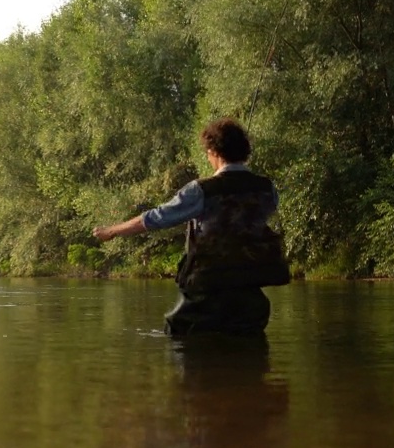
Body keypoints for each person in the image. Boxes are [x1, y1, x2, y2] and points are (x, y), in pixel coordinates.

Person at [92, 118, 289, 336]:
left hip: (207, 294)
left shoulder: (201, 190)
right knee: (249, 356)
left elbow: (155, 218)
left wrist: (112, 231)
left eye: (207, 152)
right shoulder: (266, 188)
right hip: (252, 293)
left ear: (213, 151)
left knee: (181, 345)